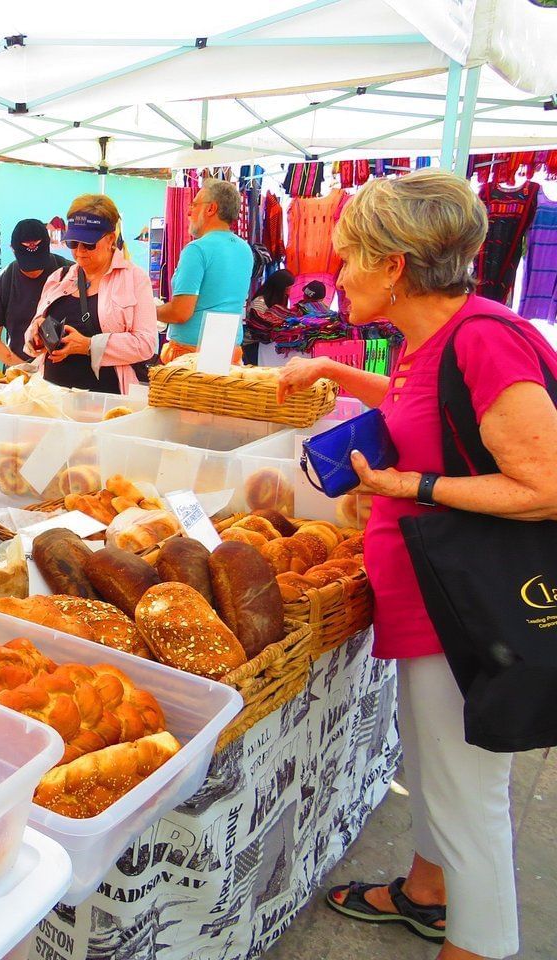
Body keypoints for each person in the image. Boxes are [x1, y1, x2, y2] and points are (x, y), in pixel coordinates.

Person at [277, 170, 557, 960]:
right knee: (438, 767)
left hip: (466, 609)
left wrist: (416, 485)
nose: (336, 277)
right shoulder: (430, 339)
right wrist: (337, 375)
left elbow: (547, 484)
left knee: (471, 798)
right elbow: (413, 404)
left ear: (395, 266)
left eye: (348, 259)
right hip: (430, 601)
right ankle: (431, 893)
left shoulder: (485, 338)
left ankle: (480, 947)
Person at [25, 195, 158, 392]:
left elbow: (146, 344)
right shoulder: (58, 278)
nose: (79, 252)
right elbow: (33, 330)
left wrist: (88, 345)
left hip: (108, 399)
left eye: (88, 244)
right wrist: (36, 336)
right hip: (53, 397)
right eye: (72, 243)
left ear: (110, 239)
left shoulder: (134, 279)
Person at [156, 178, 254, 364]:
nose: (189, 211)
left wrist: (149, 311)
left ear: (211, 209)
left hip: (192, 354)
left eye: (194, 205)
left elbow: (180, 312)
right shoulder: (244, 249)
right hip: (229, 349)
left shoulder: (197, 249)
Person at [0, 218, 71, 367]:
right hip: (20, 372)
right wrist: (22, 368)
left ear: (49, 244)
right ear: (12, 249)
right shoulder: (3, 283)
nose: (34, 271)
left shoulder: (69, 274)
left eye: (38, 261)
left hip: (66, 370)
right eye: (27, 264)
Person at [243, 268, 295, 365]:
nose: (289, 292)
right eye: (287, 288)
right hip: (253, 345)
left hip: (267, 344)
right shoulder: (259, 303)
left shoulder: (281, 298)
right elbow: (256, 327)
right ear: (279, 287)